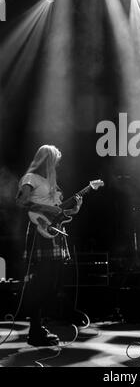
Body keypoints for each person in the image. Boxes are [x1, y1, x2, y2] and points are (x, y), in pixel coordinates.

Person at [16, 145, 82, 346]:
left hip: (53, 233)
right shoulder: (31, 178)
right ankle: (35, 331)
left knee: (52, 283)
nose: (57, 164)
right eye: (54, 160)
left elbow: (59, 212)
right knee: (41, 282)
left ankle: (38, 327)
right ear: (46, 160)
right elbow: (21, 202)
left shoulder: (50, 182)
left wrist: (74, 209)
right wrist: (46, 208)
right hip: (39, 230)